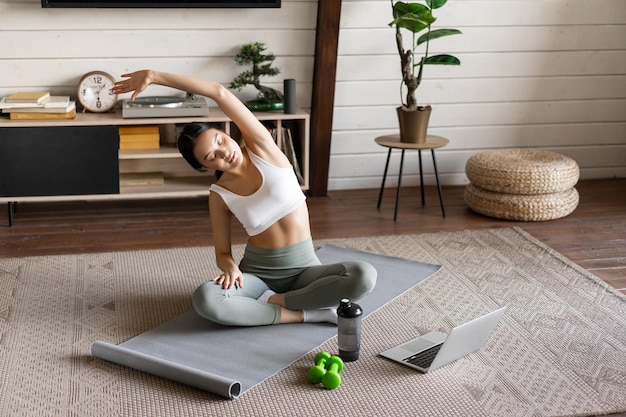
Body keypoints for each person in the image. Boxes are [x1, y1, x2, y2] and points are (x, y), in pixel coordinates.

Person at [112, 70, 377, 326]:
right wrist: (230, 269)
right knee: (207, 299)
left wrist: (156, 76)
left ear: (226, 132)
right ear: (204, 167)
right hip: (259, 275)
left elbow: (219, 92)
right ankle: (305, 313)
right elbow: (223, 252)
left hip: (306, 269)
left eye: (219, 141)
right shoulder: (219, 195)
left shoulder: (262, 147)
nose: (222, 153)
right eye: (210, 157)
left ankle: (276, 302)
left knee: (363, 275)